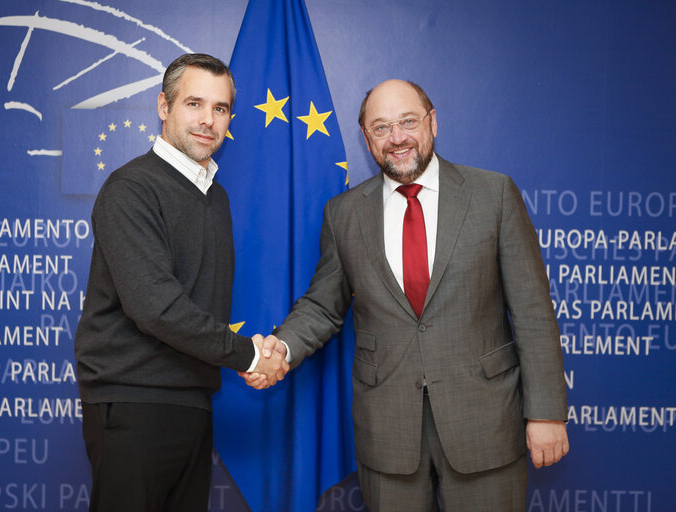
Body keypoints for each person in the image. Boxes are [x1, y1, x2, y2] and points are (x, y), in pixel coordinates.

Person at [244, 79, 568, 511]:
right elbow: (323, 305)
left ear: (432, 122)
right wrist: (280, 347)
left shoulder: (494, 195)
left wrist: (545, 412)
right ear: (366, 138)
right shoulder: (343, 214)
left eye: (408, 122)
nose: (397, 138)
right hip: (389, 432)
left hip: (485, 423)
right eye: (381, 128)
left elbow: (532, 311)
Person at [74, 53, 288, 512]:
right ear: (163, 107)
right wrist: (250, 354)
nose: (208, 120)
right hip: (134, 406)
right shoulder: (131, 188)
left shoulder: (216, 197)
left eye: (221, 108)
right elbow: (157, 307)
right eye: (194, 103)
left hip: (192, 403)